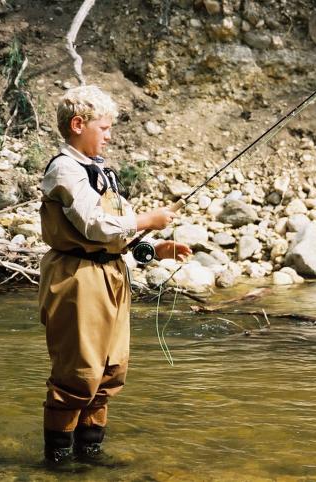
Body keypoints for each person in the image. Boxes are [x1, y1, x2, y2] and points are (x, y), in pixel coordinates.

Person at [38, 85, 190, 465]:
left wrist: (154, 247)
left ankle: (90, 457)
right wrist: (145, 219)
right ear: (78, 125)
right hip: (76, 279)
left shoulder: (102, 170)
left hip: (111, 276)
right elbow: (92, 224)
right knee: (79, 375)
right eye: (103, 128)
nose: (109, 135)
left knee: (110, 372)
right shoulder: (65, 169)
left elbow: (118, 236)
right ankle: (56, 463)